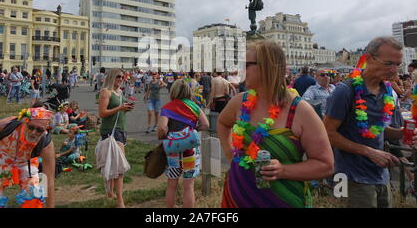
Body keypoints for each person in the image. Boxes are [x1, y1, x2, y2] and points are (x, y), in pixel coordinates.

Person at [218, 40, 334, 208]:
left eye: (246, 65)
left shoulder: (301, 111)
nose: (240, 70)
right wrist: (230, 154)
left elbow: (326, 165)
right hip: (237, 196)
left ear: (266, 67)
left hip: (283, 199)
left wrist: (283, 170)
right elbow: (222, 122)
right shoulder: (240, 101)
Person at [324, 36, 417, 208]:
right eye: (389, 63)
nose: (394, 70)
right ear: (368, 59)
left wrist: (403, 133)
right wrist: (369, 152)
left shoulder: (386, 89)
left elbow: (378, 129)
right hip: (347, 178)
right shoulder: (345, 91)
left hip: (380, 176)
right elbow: (327, 133)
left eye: (398, 64)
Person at [0, 107, 56, 208]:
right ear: (25, 121)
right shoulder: (5, 125)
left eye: (39, 130)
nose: (34, 132)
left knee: (34, 200)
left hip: (27, 164)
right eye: (31, 127)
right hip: (1, 162)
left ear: (46, 129)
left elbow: (49, 180)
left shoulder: (46, 144)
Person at [157, 79, 210, 207]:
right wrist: (193, 130)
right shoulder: (194, 106)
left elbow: (162, 128)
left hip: (173, 152)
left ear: (173, 92)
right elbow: (206, 125)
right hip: (190, 152)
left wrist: (163, 135)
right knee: (188, 186)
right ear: (188, 92)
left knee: (171, 185)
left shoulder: (167, 108)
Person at [98, 68, 134, 207]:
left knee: (114, 163)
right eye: (118, 76)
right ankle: (120, 201)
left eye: (123, 77)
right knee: (120, 167)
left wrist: (127, 108)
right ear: (112, 77)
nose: (121, 79)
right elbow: (102, 113)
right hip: (111, 132)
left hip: (121, 130)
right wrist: (120, 108)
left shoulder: (120, 92)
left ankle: (110, 192)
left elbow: (118, 111)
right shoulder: (106, 92)